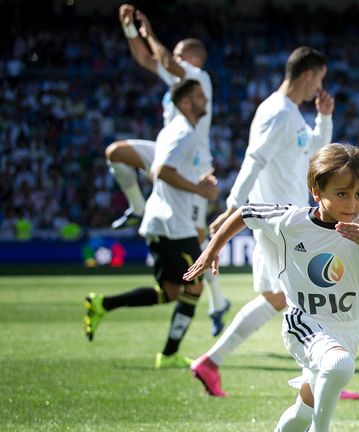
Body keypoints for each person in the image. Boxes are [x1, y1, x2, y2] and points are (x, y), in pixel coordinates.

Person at [183, 143, 359, 432]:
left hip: (347, 330)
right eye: (342, 194)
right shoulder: (292, 220)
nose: (352, 204)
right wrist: (212, 250)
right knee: (339, 364)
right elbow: (245, 213)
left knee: (303, 412)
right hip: (304, 324)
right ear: (317, 191)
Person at [190, 46, 336, 397]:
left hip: (284, 220)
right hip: (278, 221)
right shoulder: (277, 113)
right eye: (320, 78)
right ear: (307, 75)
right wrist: (232, 207)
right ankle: (320, 381)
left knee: (279, 297)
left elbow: (315, 151)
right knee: (313, 295)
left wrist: (324, 118)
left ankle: (210, 363)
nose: (320, 86)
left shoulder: (291, 114)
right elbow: (254, 159)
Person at [107, 4, 230, 336]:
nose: (172, 57)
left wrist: (147, 31)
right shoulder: (179, 80)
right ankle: (137, 208)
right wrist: (131, 31)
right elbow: (147, 60)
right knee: (116, 153)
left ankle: (218, 302)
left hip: (192, 160)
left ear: (193, 59)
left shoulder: (198, 78)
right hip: (167, 148)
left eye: (179, 54)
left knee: (197, 236)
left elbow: (162, 59)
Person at [83, 79, 220, 368]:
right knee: (194, 288)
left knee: (171, 292)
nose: (204, 100)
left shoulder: (178, 132)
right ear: (185, 103)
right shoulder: (183, 132)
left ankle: (102, 304)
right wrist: (199, 190)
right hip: (172, 226)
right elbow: (161, 171)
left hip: (169, 223)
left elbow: (164, 168)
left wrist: (199, 184)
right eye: (198, 96)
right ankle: (168, 355)